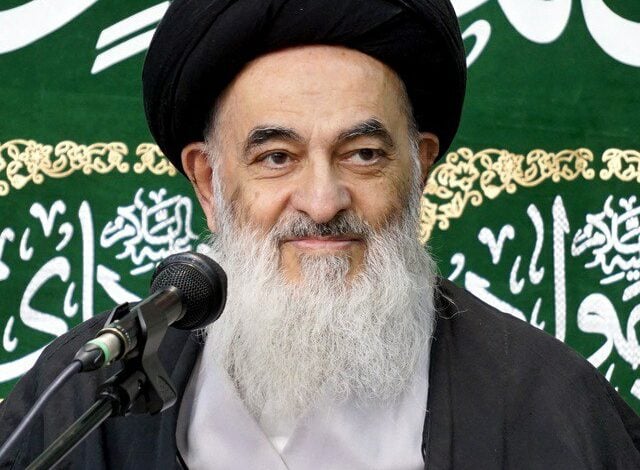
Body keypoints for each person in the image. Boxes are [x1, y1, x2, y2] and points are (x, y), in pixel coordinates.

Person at [1, 0, 640, 468]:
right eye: (276, 157)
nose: (322, 201)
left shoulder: (551, 406)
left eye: (363, 155)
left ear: (418, 169)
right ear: (209, 181)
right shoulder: (88, 397)